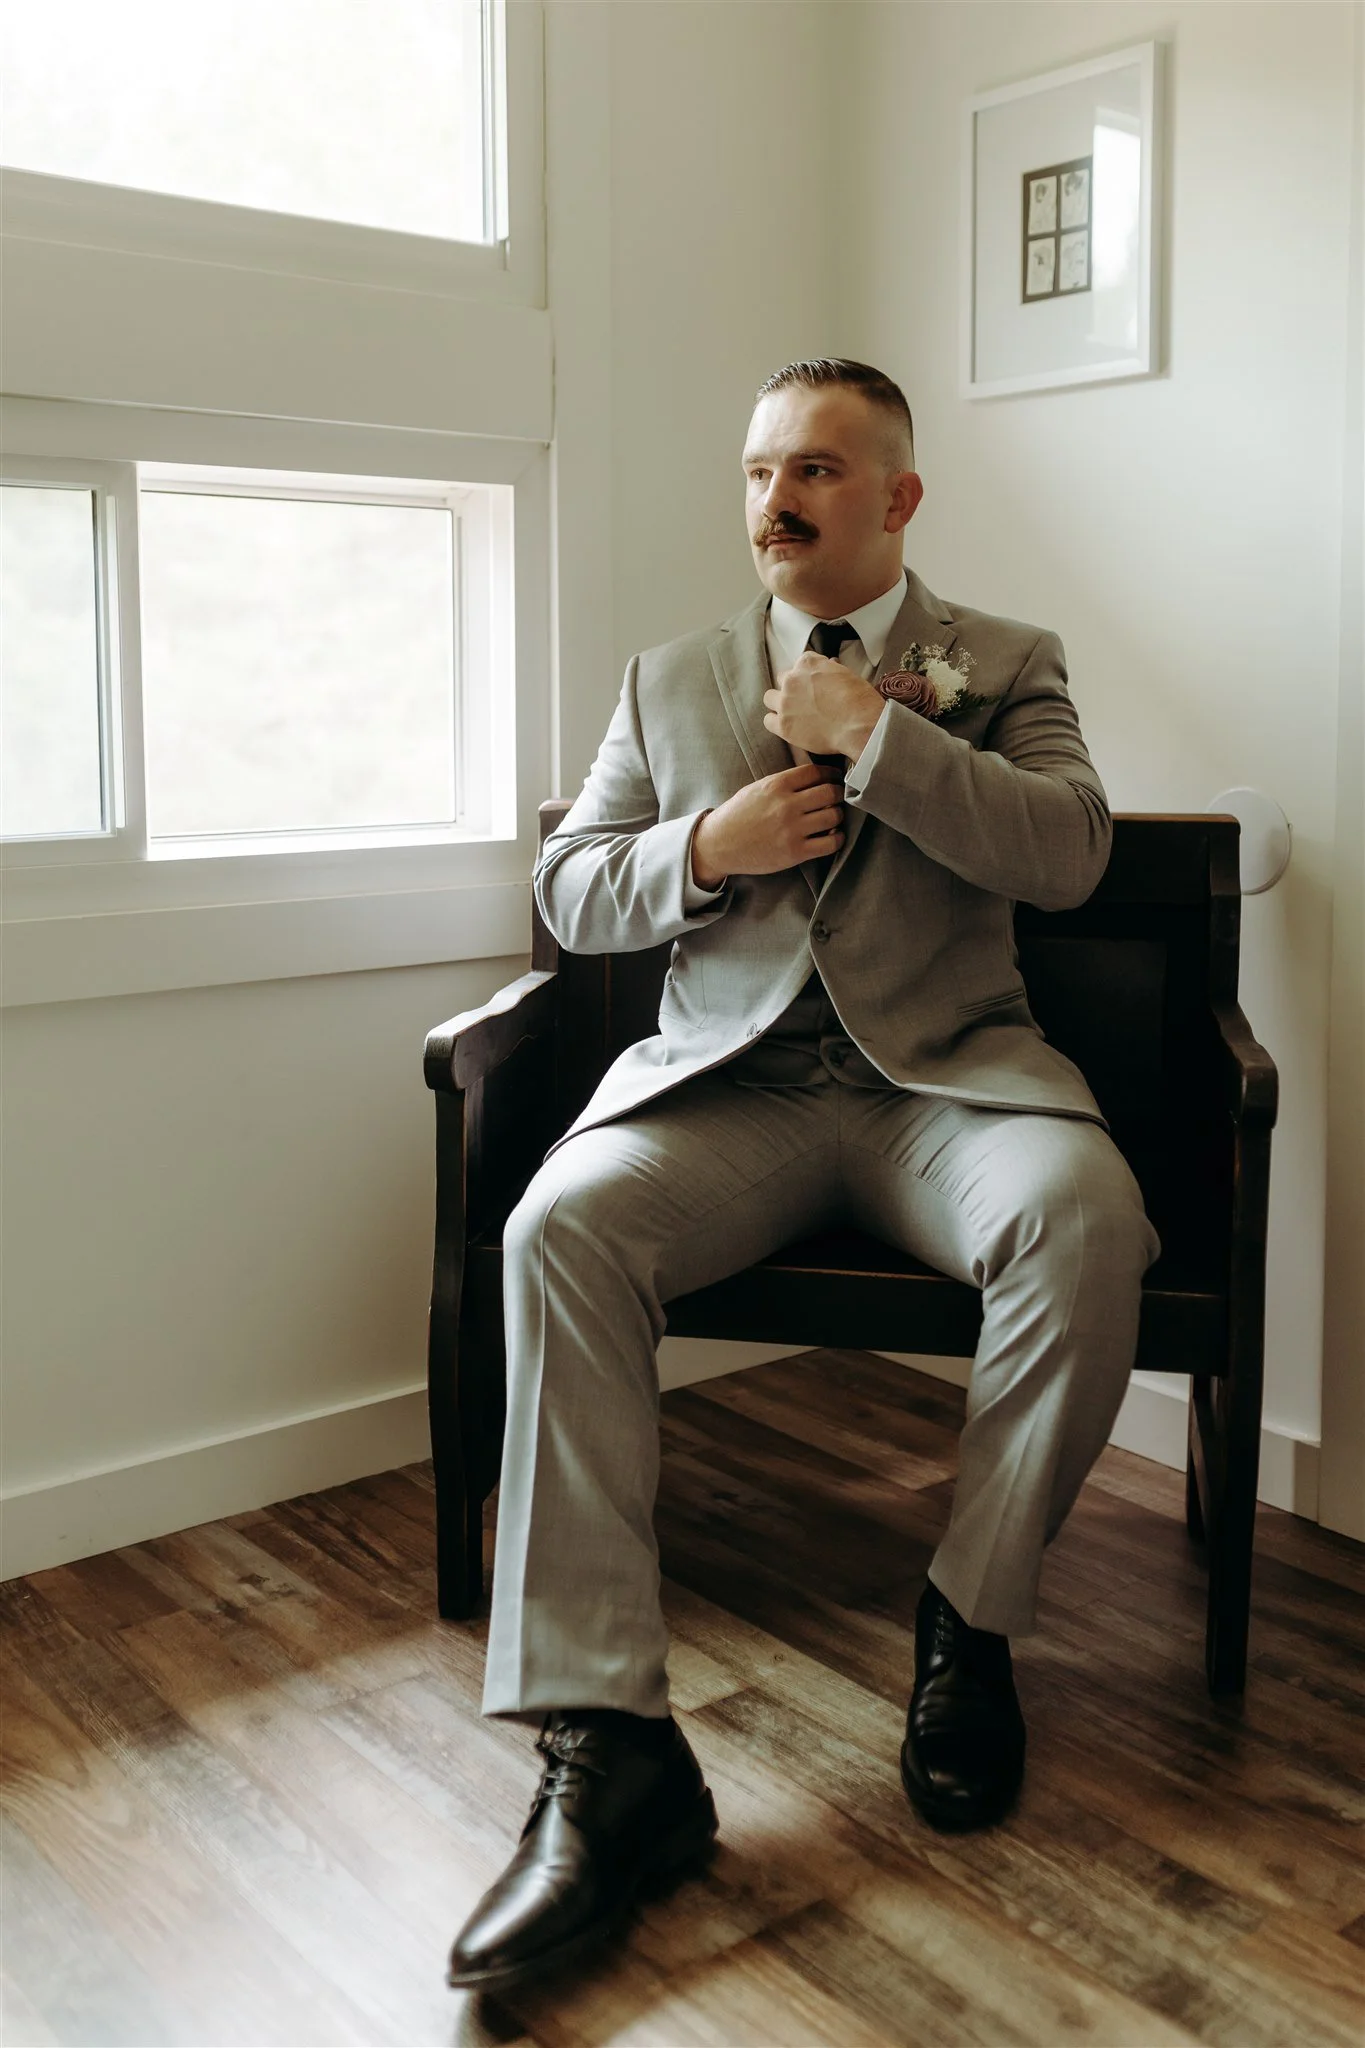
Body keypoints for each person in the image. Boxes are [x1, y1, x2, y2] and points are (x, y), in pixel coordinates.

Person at [447, 358, 1159, 1994]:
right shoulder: (673, 677)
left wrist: (879, 746)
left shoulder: (1001, 662)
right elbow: (569, 892)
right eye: (762, 467)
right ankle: (611, 1743)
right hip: (734, 1096)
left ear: (898, 499)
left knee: (1087, 1215)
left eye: (822, 469)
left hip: (945, 1091)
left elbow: (1071, 849)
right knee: (558, 1221)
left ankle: (967, 1631)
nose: (779, 495)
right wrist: (704, 852)